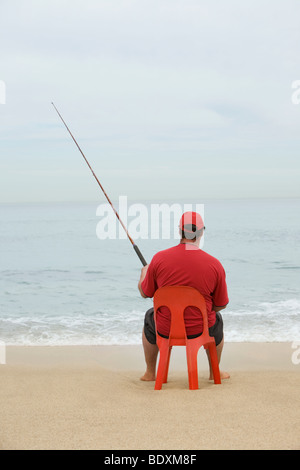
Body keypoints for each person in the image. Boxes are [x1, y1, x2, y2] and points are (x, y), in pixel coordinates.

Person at [138, 211, 230, 382]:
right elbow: (220, 304)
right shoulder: (214, 264)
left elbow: (145, 293)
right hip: (200, 328)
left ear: (180, 231)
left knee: (150, 316)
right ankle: (214, 372)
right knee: (217, 318)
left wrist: (144, 274)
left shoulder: (159, 259)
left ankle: (150, 373)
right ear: (202, 232)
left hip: (165, 328)